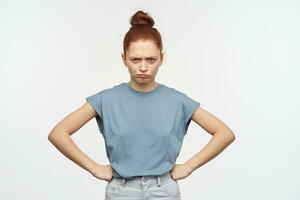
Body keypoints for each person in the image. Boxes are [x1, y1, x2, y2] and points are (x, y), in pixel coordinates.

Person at [48, 10, 235, 200]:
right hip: (121, 191)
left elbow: (224, 133)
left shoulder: (178, 100)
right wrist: (93, 168)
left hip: (164, 191)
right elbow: (58, 133)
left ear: (161, 58)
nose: (143, 67)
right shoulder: (106, 99)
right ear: (124, 59)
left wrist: (189, 166)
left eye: (151, 60)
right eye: (135, 59)